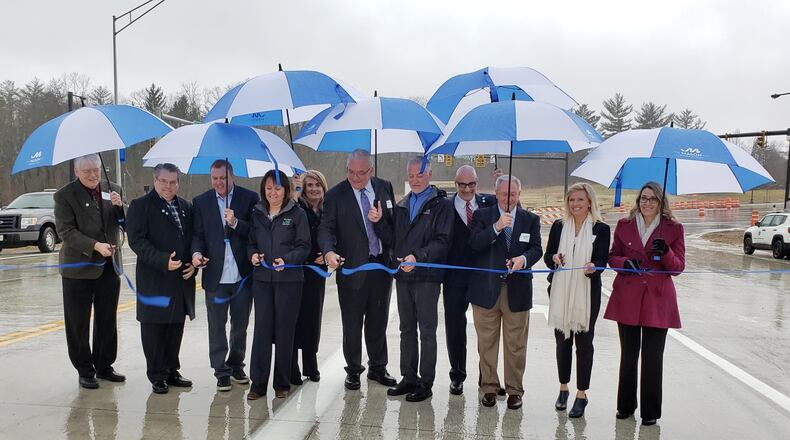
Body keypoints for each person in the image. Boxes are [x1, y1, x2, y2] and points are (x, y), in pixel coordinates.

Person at [370, 157, 452, 402]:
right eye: (411, 175)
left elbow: (443, 240)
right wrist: (378, 221)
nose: (415, 180)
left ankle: (425, 383)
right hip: (403, 277)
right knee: (406, 329)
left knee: (427, 331)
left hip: (426, 276)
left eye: (419, 175)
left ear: (429, 174)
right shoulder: (403, 204)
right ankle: (409, 377)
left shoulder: (441, 205)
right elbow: (392, 239)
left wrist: (418, 256)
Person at [605, 181, 685, 426]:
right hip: (628, 296)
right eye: (644, 198)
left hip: (658, 300)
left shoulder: (673, 228)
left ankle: (650, 412)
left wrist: (667, 253)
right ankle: (625, 406)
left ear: (661, 202)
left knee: (653, 357)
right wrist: (623, 263)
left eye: (653, 199)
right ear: (638, 201)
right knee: (628, 355)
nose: (647, 202)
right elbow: (612, 256)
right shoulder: (624, 225)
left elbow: (678, 267)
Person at [317, 149, 398, 391]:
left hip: (381, 268)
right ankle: (353, 370)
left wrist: (380, 221)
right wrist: (329, 251)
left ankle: (378, 368)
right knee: (352, 325)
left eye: (361, 173)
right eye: (351, 172)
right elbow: (326, 229)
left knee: (378, 322)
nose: (355, 178)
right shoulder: (335, 195)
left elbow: (394, 227)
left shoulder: (385, 188)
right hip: (352, 269)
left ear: (370, 171)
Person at [468, 175, 542, 410]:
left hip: (517, 291)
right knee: (487, 342)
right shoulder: (482, 216)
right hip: (485, 290)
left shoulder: (531, 219)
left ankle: (514, 390)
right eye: (503, 194)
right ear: (495, 193)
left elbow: (537, 248)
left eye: (512, 194)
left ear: (519, 194)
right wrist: (496, 228)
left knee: (516, 344)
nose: (508, 198)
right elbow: (474, 244)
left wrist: (523, 259)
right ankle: (489, 387)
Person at [54, 153, 126, 389]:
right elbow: (66, 232)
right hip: (78, 269)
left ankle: (104, 365)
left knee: (107, 319)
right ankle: (84, 369)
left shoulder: (112, 188)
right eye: (87, 172)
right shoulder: (65, 195)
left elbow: (123, 224)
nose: (93, 175)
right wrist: (95, 246)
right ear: (76, 172)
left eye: (96, 169)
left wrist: (120, 207)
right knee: (78, 322)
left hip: (109, 266)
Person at [126, 163, 197, 394]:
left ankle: (171, 369)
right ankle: (157, 374)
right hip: (154, 278)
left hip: (181, 279)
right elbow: (137, 241)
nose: (168, 186)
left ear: (178, 182)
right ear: (155, 180)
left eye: (173, 182)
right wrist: (161, 260)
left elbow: (193, 238)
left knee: (175, 326)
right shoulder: (141, 206)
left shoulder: (186, 206)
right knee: (154, 328)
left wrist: (194, 265)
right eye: (164, 181)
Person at [191, 160, 259, 391]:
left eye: (223, 178)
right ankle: (220, 370)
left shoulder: (249, 198)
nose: (219, 182)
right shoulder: (201, 202)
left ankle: (236, 364)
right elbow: (197, 235)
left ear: (232, 177)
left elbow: (256, 232)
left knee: (240, 325)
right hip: (215, 276)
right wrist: (197, 253)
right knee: (216, 325)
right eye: (215, 178)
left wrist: (236, 222)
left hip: (242, 276)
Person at [544, 183, 611, 418]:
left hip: (587, 292)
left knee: (584, 345)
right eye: (572, 200)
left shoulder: (601, 229)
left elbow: (603, 261)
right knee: (563, 342)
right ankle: (563, 388)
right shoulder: (559, 226)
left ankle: (581, 394)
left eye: (580, 200)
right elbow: (547, 256)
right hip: (560, 290)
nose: (575, 204)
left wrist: (594, 267)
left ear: (590, 202)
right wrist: (554, 257)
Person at [246, 169, 311, 400]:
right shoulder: (257, 213)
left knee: (285, 331)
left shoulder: (296, 214)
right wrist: (253, 255)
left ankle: (282, 382)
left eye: (277, 188)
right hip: (263, 281)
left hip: (289, 281)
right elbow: (251, 243)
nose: (273, 193)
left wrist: (288, 260)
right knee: (262, 330)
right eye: (269, 188)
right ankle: (258, 383)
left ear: (286, 189)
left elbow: (304, 246)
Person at [442, 165, 497, 395]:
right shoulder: (443, 207)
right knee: (455, 328)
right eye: (462, 184)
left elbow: (513, 211)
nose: (467, 189)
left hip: (482, 276)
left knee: (487, 331)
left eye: (471, 184)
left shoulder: (490, 203)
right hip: (454, 278)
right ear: (455, 184)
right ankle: (457, 375)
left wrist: (502, 181)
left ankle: (488, 379)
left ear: (477, 183)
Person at [291, 170, 329, 384]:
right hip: (299, 270)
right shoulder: (298, 209)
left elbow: (334, 235)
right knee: (296, 318)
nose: (314, 189)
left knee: (313, 319)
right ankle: (292, 366)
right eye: (310, 185)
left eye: (318, 185)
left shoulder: (328, 211)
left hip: (318, 273)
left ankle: (310, 364)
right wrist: (295, 194)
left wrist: (328, 254)